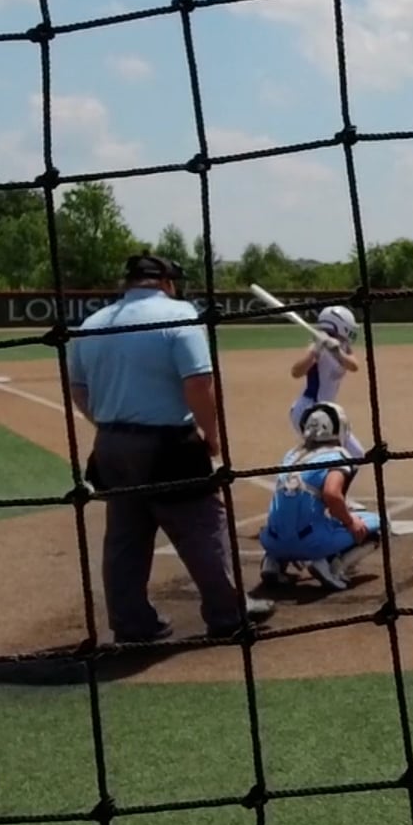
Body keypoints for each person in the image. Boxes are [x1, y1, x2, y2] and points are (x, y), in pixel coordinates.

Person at [66, 254, 274, 643]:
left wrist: (113, 428)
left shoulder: (90, 324)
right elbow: (198, 383)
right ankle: (228, 613)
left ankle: (131, 623)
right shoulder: (180, 315)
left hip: (110, 445)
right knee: (203, 525)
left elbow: (78, 390)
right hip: (168, 445)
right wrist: (212, 435)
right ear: (166, 282)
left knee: (126, 535)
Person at [257, 401, 387, 592]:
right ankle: (331, 566)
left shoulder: (291, 456)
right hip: (311, 544)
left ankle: (273, 562)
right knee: (378, 524)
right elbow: (332, 495)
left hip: (271, 541)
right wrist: (350, 522)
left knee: (294, 516)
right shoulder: (337, 456)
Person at [289, 305, 365, 459]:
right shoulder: (316, 345)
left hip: (327, 411)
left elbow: (354, 366)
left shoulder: (343, 346)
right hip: (309, 410)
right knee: (326, 456)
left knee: (356, 454)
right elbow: (296, 372)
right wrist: (315, 351)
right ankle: (294, 469)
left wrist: (337, 352)